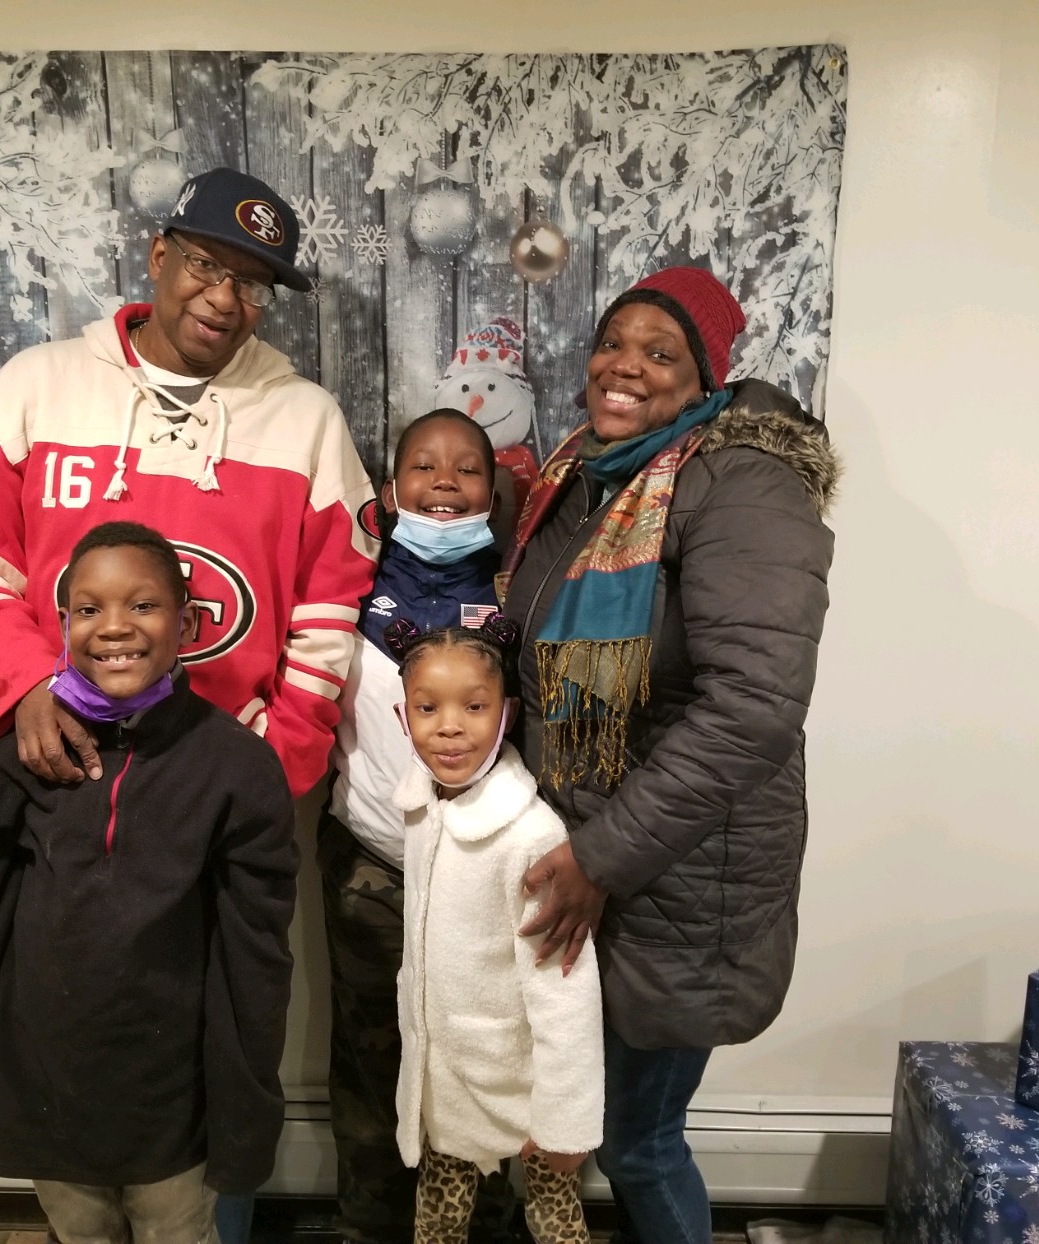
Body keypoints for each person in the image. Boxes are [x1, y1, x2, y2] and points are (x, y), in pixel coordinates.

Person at [499, 266, 839, 1244]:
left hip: (674, 878)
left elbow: (754, 705)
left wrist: (601, 857)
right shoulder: (583, 474)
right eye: (614, 342)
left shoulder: (742, 483)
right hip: (585, 862)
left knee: (638, 1139)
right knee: (584, 1124)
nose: (625, 367)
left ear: (706, 378)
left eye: (660, 352)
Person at [0, 165, 379, 799]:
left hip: (227, 776)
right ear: (160, 256)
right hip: (61, 759)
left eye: (251, 284)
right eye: (206, 266)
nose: (223, 298)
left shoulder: (308, 421)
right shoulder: (34, 388)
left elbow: (329, 613)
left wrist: (281, 757)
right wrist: (23, 685)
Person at [0, 521, 298, 1244]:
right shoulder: (23, 756)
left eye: (142, 606)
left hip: (174, 1104)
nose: (114, 627)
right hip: (52, 1092)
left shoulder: (236, 766)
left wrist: (241, 1118)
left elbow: (255, 966)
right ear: (64, 622)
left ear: (186, 620)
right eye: (89, 609)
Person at [320, 408, 517, 1244]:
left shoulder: (520, 587)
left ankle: (488, 1229)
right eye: (425, 467)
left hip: (483, 870)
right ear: (391, 488)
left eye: (466, 469)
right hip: (371, 864)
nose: (445, 482)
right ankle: (371, 1225)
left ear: (493, 489)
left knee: (485, 1064)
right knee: (371, 1061)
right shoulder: (347, 585)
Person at [386, 615, 604, 1244]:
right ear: (404, 718)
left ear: (505, 713)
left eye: (473, 707)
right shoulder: (422, 809)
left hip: (523, 1080)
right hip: (447, 1079)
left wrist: (565, 1121)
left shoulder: (531, 836)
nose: (449, 726)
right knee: (439, 1219)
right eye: (428, 708)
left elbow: (565, 989)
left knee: (556, 1221)